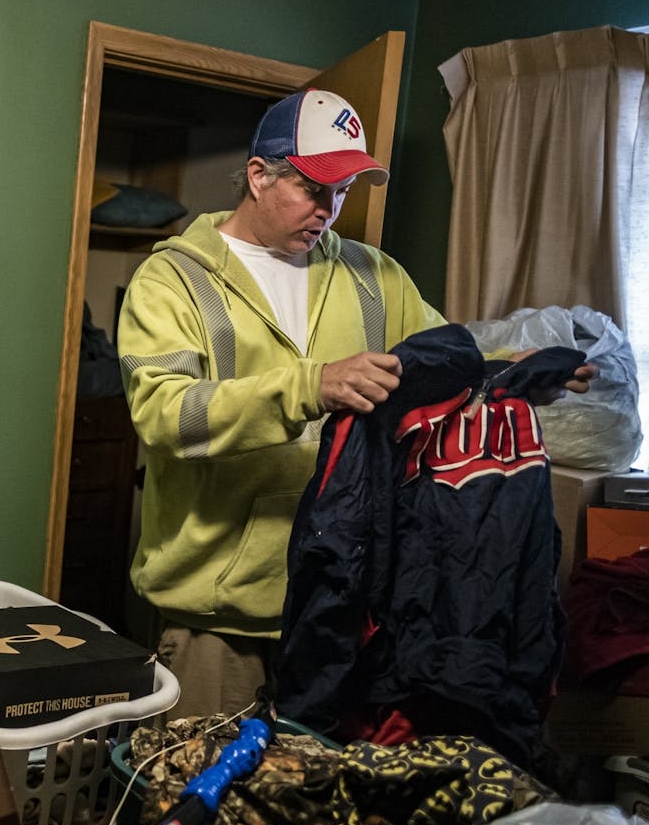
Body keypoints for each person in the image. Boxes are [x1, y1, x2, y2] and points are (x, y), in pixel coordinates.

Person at [116, 88, 595, 719]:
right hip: (220, 618)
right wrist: (310, 385)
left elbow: (440, 366)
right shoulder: (172, 280)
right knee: (203, 796)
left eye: (342, 192)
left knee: (318, 804)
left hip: (344, 606)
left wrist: (512, 373)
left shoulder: (377, 275)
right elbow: (165, 415)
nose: (328, 210)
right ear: (258, 175)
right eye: (313, 188)